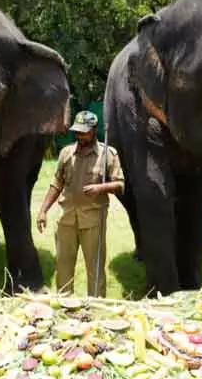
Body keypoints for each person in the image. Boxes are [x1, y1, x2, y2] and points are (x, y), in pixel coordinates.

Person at [36, 111, 124, 297]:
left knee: (95, 267)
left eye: (84, 132)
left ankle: (96, 304)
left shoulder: (108, 154)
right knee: (63, 266)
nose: (80, 136)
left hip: (92, 219)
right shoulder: (66, 153)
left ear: (94, 130)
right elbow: (57, 183)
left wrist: (100, 188)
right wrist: (43, 211)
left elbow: (120, 185)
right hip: (66, 218)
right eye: (77, 132)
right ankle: (65, 304)